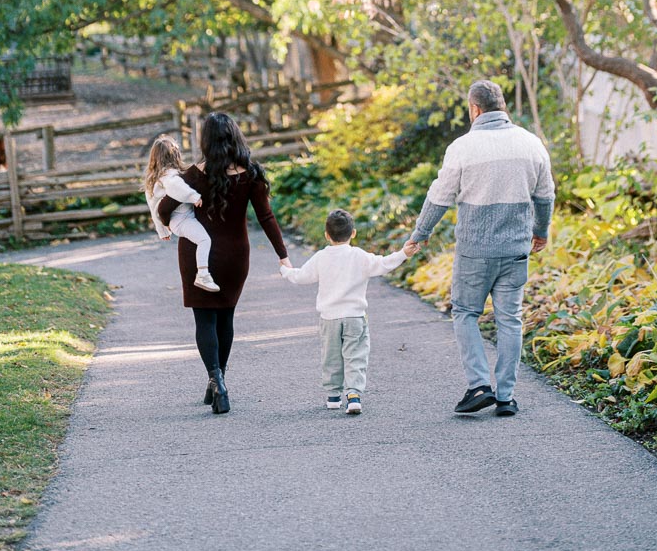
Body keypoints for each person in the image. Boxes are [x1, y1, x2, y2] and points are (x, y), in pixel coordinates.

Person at [410, 79, 555, 418]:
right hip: (516, 248)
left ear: (474, 109)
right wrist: (541, 232)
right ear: (502, 106)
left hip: (475, 251)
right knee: (510, 320)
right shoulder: (531, 144)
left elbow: (439, 196)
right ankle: (505, 397)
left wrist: (420, 233)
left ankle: (479, 385)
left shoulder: (463, 147)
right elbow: (546, 196)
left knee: (465, 312)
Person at [157, 111, 290, 415]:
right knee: (226, 319)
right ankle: (220, 378)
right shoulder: (251, 174)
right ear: (234, 136)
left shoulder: (193, 175)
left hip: (196, 254)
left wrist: (171, 221)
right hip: (235, 256)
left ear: (206, 141)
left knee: (204, 320)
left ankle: (215, 379)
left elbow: (165, 208)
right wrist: (282, 254)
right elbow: (266, 217)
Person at [279, 208, 418, 415]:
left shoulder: (321, 257)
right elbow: (383, 264)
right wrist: (403, 254)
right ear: (353, 233)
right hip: (355, 317)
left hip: (329, 319)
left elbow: (301, 277)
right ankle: (353, 394)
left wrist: (285, 270)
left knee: (331, 357)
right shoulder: (359, 256)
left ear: (327, 235)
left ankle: (333, 396)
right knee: (356, 356)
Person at [144, 135, 219, 292]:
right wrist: (194, 196)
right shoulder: (170, 176)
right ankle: (203, 275)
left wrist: (161, 230)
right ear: (174, 155)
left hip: (176, 221)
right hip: (182, 219)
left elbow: (152, 207)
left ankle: (203, 273)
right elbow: (175, 186)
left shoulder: (156, 178)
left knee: (201, 239)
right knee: (205, 240)